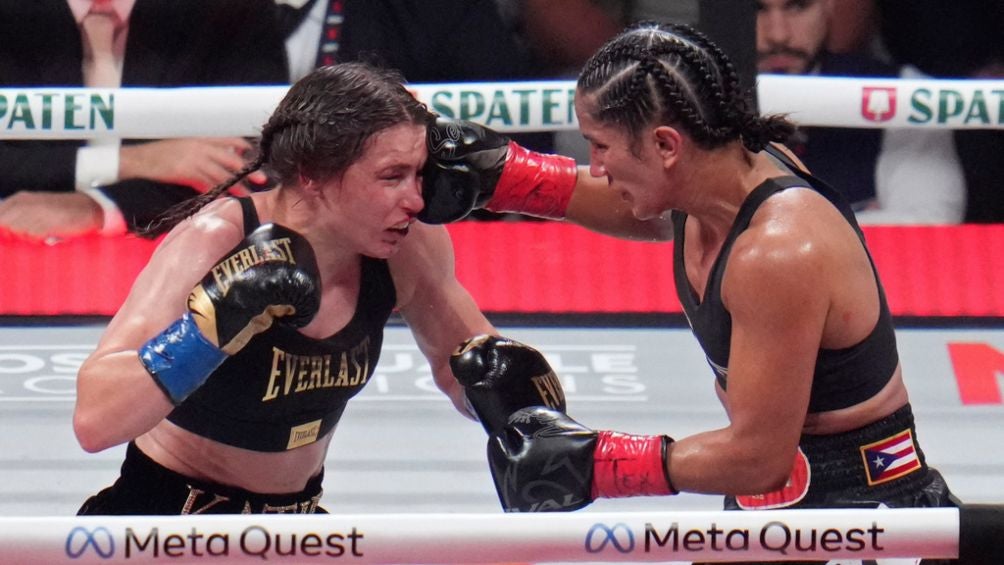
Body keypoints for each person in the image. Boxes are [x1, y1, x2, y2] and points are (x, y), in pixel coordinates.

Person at [419, 21, 958, 564]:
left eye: (601, 147)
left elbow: (758, 457)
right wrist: (507, 176)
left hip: (859, 512)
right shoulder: (718, 177)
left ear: (665, 145)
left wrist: (594, 463)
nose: (597, 166)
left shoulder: (776, 253)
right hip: (778, 497)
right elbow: (631, 203)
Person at [71, 62, 565, 515]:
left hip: (298, 526)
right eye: (392, 176)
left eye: (419, 174)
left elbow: (465, 368)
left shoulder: (408, 246)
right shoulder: (216, 240)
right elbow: (95, 420)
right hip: (168, 517)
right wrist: (208, 329)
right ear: (312, 176)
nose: (416, 199)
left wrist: (521, 413)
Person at [0, 0, 288, 241]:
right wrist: (135, 161)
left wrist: (100, 207)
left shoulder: (230, 10)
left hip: (178, 253)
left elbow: (251, 167)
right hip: (19, 252)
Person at [755, 0, 966, 225]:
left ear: (828, 6)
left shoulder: (902, 89)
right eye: (755, 9)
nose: (778, 35)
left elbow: (928, 222)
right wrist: (855, 220)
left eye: (798, 7)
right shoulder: (717, 99)